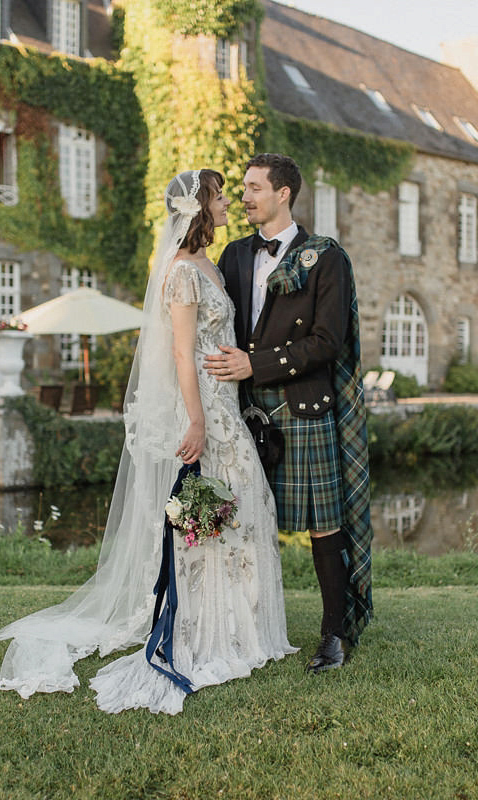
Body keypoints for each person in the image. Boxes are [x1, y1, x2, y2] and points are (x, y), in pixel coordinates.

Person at [0, 169, 296, 714]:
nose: (229, 203)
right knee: (219, 515)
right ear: (201, 207)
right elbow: (183, 353)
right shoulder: (182, 272)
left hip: (227, 402)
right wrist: (197, 420)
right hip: (203, 407)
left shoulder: (209, 265)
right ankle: (208, 629)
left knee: (248, 508)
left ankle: (245, 628)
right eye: (221, 196)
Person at [205, 153, 372, 674]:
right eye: (242, 189)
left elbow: (328, 342)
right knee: (246, 524)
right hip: (246, 415)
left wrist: (255, 364)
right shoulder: (232, 255)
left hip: (303, 410)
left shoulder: (326, 258)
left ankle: (334, 635)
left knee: (324, 527)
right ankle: (246, 628)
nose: (244, 197)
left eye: (254, 188)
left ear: (284, 194)